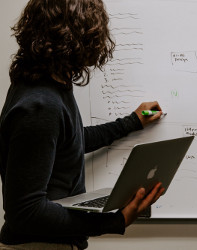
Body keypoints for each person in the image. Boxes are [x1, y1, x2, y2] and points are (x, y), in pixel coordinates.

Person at [0, 0, 165, 249]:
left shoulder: (49, 87)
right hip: (39, 245)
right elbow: (25, 214)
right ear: (80, 38)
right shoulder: (40, 105)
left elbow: (70, 141)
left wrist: (132, 122)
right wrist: (115, 222)